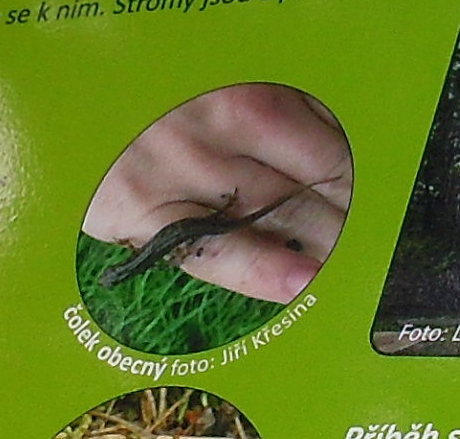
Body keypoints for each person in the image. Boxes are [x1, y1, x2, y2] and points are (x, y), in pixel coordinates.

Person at [82, 82, 354, 301]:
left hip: (194, 228)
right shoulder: (136, 257)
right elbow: (142, 249)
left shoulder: (141, 263)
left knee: (226, 220)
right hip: (193, 227)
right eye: (113, 274)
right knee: (225, 220)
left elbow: (156, 257)